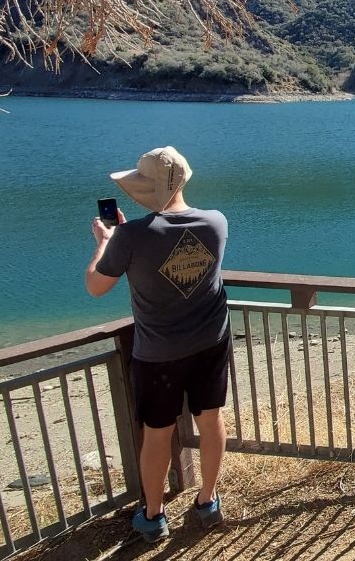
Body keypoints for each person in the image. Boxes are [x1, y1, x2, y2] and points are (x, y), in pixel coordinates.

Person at [85, 146, 230, 542]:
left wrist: (105, 241)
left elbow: (96, 286)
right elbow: (168, 241)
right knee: (211, 418)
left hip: (158, 354)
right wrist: (130, 235)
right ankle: (208, 500)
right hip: (211, 341)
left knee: (158, 432)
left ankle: (152, 516)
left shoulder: (130, 236)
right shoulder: (216, 222)